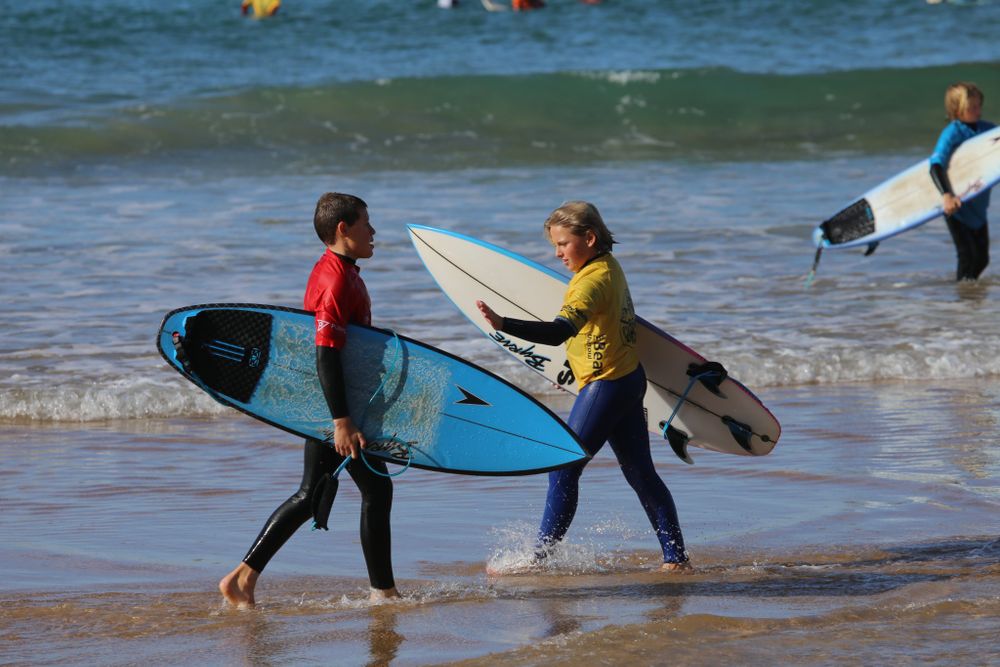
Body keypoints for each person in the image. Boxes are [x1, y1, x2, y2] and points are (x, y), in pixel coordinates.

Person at [476, 201, 690, 572]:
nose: (557, 253)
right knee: (641, 473)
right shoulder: (609, 267)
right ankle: (676, 558)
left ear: (589, 238)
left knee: (563, 466)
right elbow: (600, 332)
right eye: (555, 245)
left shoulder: (590, 281)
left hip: (608, 384)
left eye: (563, 244)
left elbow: (559, 332)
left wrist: (503, 323)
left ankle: (541, 559)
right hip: (626, 378)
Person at [219, 193, 399, 607]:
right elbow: (325, 353)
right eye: (366, 223)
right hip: (332, 407)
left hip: (338, 403)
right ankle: (383, 592)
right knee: (361, 491)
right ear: (343, 229)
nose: (373, 232)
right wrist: (341, 420)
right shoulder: (334, 279)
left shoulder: (342, 271)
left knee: (319, 493)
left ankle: (243, 579)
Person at [929, 82, 996, 281]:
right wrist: (947, 196)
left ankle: (969, 293)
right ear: (957, 109)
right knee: (967, 257)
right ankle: (964, 295)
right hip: (956, 207)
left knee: (982, 259)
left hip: (979, 206)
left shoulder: (987, 129)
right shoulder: (952, 133)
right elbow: (936, 165)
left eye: (979, 105)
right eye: (972, 107)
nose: (978, 111)